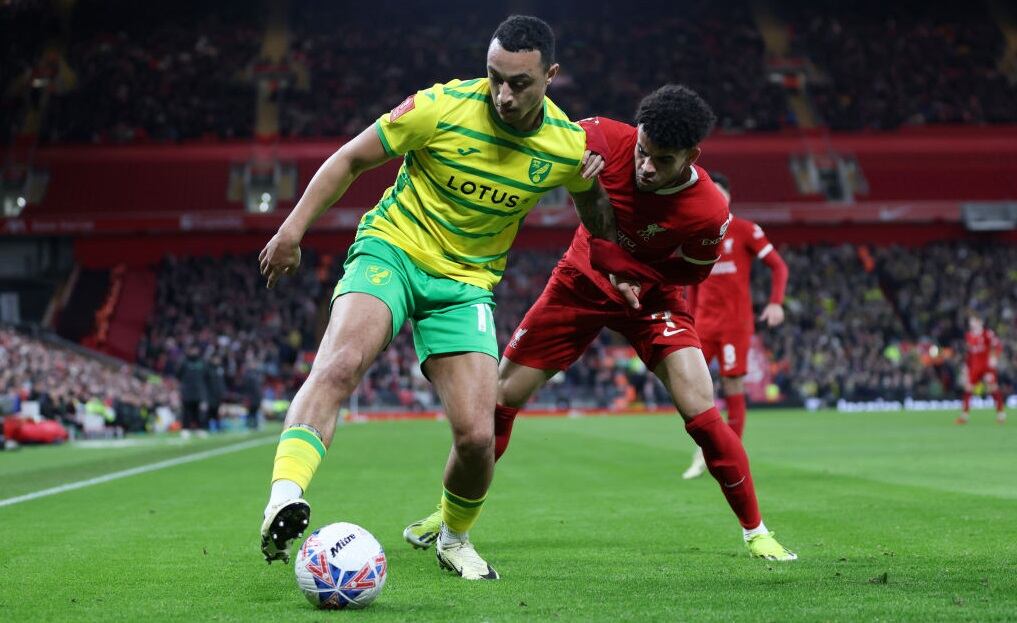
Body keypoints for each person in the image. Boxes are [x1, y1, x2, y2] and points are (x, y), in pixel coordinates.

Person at [257, 15, 617, 580]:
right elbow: (350, 158)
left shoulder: (568, 146)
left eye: (520, 83)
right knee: (342, 362)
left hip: (466, 284)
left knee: (478, 435)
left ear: (551, 76)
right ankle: (283, 496)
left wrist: (592, 185)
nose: (503, 94)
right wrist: (291, 230)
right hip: (393, 250)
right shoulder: (439, 106)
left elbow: (598, 221)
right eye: (495, 77)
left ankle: (454, 538)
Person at [404, 85, 797, 562]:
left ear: (692, 156)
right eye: (643, 151)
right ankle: (448, 515)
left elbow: (694, 271)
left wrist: (638, 274)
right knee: (499, 400)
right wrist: (568, 168)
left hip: (652, 299)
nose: (646, 166)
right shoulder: (603, 138)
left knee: (703, 409)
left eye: (662, 160)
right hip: (580, 283)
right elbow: (532, 146)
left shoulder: (709, 209)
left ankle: (756, 532)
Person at [681, 172, 789, 479]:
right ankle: (703, 450)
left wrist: (776, 302)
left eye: (719, 193)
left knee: (732, 385)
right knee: (690, 388)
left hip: (734, 325)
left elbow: (778, 266)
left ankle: (730, 456)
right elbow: (694, 282)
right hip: (703, 324)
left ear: (727, 197)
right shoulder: (697, 232)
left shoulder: (746, 231)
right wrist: (687, 316)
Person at [957, 314, 1006, 424]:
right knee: (968, 388)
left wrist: (994, 357)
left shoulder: (987, 334)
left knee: (993, 388)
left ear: (980, 322)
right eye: (971, 321)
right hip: (974, 367)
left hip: (987, 367)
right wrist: (966, 366)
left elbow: (997, 346)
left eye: (974, 321)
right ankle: (964, 417)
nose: (972, 323)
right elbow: (969, 353)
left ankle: (1001, 415)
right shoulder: (969, 336)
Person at [176, 345, 209, 437]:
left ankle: (199, 428)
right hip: (187, 391)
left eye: (195, 349)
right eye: (192, 349)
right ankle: (185, 429)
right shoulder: (184, 362)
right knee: (186, 411)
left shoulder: (202, 362)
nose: (194, 351)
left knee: (198, 412)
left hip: (199, 391)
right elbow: (178, 375)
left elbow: (206, 377)